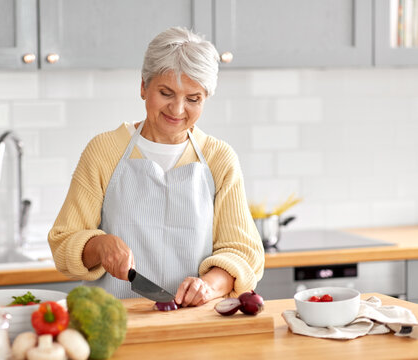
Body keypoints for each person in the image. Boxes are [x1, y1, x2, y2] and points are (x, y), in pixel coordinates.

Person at [48, 26, 264, 307]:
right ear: (143, 87)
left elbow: (242, 252)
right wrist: (99, 246)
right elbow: (64, 242)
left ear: (205, 99)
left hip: (194, 323)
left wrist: (208, 286)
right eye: (166, 93)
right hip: (112, 323)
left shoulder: (219, 158)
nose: (177, 109)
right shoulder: (104, 151)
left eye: (193, 99)